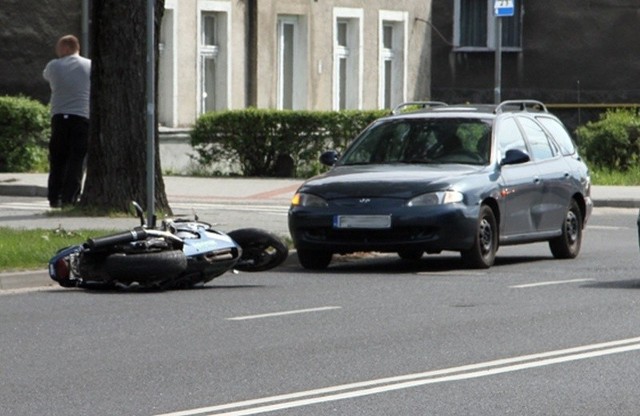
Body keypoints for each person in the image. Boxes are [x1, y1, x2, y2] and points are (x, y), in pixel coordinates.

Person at [43, 34, 91, 208]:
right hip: (82, 117)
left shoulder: (53, 66)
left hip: (59, 118)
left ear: (65, 47)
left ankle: (54, 196)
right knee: (76, 160)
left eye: (58, 47)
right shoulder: (89, 65)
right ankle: (70, 197)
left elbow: (47, 77)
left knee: (57, 158)